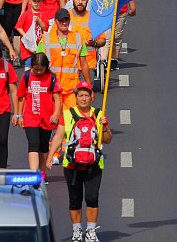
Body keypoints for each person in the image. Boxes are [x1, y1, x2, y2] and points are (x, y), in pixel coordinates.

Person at [47, 81, 112, 242]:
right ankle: (77, 230)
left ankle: (91, 230)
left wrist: (104, 127)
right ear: (75, 98)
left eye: (86, 95)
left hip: (94, 164)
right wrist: (50, 156)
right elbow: (58, 136)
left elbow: (108, 140)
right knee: (74, 199)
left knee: (92, 198)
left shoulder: (99, 114)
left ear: (92, 97)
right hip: (71, 164)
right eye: (80, 95)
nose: (83, 99)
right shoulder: (67, 114)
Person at [16, 52, 62, 174]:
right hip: (30, 116)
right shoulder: (26, 76)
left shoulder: (51, 78)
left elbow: (57, 98)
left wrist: (56, 113)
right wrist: (19, 115)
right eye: (35, 69)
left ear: (46, 67)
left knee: (43, 146)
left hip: (47, 117)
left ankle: (42, 173)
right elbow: (21, 97)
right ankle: (33, 173)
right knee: (33, 145)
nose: (38, 72)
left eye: (41, 70)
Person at [39, 9, 92, 110]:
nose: (64, 23)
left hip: (71, 89)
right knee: (54, 120)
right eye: (61, 20)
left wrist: (88, 87)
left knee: (71, 119)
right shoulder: (46, 39)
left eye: (66, 20)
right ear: (56, 21)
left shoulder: (78, 38)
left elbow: (84, 64)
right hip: (52, 88)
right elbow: (38, 63)